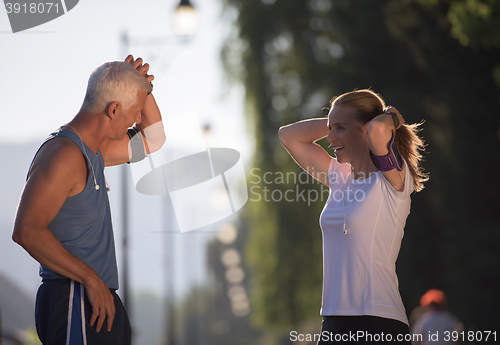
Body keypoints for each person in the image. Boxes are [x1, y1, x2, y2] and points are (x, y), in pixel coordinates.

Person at [12, 55, 165, 345]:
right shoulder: (64, 155)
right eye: (136, 111)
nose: (138, 119)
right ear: (114, 109)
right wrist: (92, 281)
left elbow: (153, 139)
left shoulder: (95, 151)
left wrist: (145, 88)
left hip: (96, 300)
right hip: (74, 298)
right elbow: (26, 231)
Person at [279, 89, 428, 344]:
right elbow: (288, 136)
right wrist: (335, 124)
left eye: (340, 129)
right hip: (333, 321)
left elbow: (380, 130)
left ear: (366, 130)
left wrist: (390, 117)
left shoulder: (392, 179)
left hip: (378, 321)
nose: (330, 137)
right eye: (330, 128)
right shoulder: (339, 177)